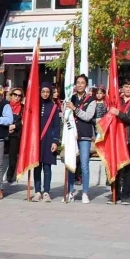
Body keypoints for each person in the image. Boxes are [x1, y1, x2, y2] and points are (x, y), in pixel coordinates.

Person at [109, 78, 130, 205]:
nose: (128, 89)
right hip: (118, 139)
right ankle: (115, 194)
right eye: (126, 87)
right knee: (117, 167)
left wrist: (119, 113)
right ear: (122, 88)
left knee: (129, 168)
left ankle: (126, 195)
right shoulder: (118, 101)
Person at [66, 74, 96, 204]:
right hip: (72, 136)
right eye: (77, 82)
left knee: (84, 165)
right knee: (71, 164)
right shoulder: (70, 98)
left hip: (84, 135)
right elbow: (66, 116)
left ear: (86, 85)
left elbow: (88, 116)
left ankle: (85, 192)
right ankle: (70, 191)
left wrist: (75, 109)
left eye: (82, 83)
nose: (79, 85)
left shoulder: (91, 99)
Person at [31, 83, 60, 202]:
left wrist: (55, 141)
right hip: (36, 140)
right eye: (43, 91)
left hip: (48, 140)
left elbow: (56, 126)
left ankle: (46, 191)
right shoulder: (35, 105)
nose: (45, 94)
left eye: (47, 92)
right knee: (37, 167)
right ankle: (37, 191)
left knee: (47, 167)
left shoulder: (54, 107)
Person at [6, 87, 23, 184]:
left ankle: (10, 176)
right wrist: (7, 127)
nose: (17, 97)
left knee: (12, 158)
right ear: (11, 95)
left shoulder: (22, 107)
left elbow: (24, 122)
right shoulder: (6, 105)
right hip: (4, 133)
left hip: (15, 135)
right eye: (15, 95)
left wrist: (15, 126)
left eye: (19, 96)